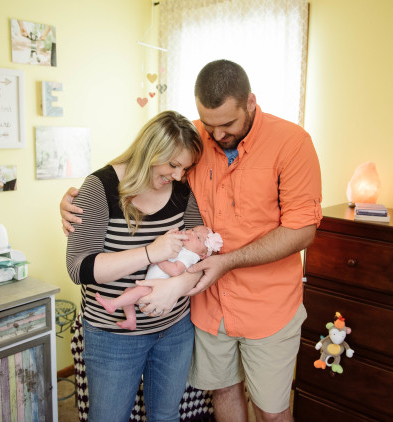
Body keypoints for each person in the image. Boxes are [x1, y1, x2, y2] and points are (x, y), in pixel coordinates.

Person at [61, 60, 322, 422]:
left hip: (264, 306)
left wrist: (202, 273)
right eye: (208, 124)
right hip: (207, 308)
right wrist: (81, 198)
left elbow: (302, 230)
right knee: (224, 393)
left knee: (271, 410)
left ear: (250, 102)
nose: (215, 135)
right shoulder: (194, 140)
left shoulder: (291, 143)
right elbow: (138, 164)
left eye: (226, 124)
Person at [66, 110, 204, 422]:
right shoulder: (100, 188)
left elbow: (201, 252)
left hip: (175, 328)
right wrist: (150, 252)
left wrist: (176, 286)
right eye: (172, 164)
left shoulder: (182, 191)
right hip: (113, 335)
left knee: (166, 416)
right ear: (150, 151)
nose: (179, 175)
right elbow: (79, 267)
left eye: (185, 167)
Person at [96, 225, 222, 330]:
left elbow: (176, 270)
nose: (191, 234)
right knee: (128, 292)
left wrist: (159, 259)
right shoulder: (183, 248)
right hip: (153, 290)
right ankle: (131, 320)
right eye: (193, 230)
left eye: (198, 238)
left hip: (159, 296)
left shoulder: (190, 255)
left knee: (138, 291)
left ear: (202, 255)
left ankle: (113, 304)